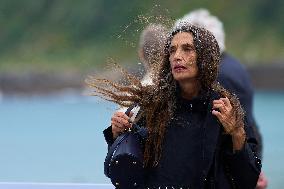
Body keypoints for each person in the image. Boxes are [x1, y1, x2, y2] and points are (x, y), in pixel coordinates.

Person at [88, 23, 261, 188]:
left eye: (187, 49)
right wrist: (117, 135)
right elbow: (123, 174)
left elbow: (247, 180)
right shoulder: (152, 106)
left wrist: (237, 134)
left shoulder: (226, 110)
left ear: (205, 56)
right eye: (172, 50)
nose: (177, 56)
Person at [174, 8, 268, 188]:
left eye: (187, 46)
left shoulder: (219, 76)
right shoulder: (233, 66)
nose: (179, 55)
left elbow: (231, 129)